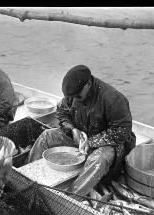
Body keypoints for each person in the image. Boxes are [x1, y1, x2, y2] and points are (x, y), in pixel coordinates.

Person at [27, 65, 136, 196]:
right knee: (47, 135)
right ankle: (26, 178)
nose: (74, 99)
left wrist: (91, 142)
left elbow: (121, 132)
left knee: (98, 159)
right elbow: (62, 112)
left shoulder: (114, 99)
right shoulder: (72, 94)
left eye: (78, 96)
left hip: (107, 145)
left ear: (88, 84)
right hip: (80, 137)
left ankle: (72, 196)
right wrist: (72, 129)